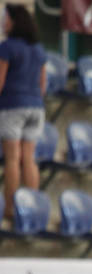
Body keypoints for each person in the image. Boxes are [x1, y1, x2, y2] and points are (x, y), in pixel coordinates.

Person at [0, 4, 45, 220]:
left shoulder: (7, 47)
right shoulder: (39, 50)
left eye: (5, 18)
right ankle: (32, 209)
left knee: (11, 158)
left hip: (12, 106)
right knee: (29, 158)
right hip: (36, 106)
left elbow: (0, 81)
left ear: (14, 22)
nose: (3, 22)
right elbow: (42, 84)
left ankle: (10, 208)